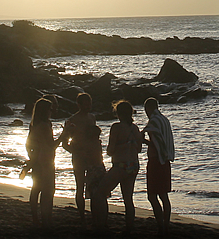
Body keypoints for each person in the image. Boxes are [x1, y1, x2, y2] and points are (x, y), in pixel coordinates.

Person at [94, 100, 142, 232]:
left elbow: (110, 151)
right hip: (134, 165)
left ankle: (102, 225)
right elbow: (139, 149)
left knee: (100, 193)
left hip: (120, 165)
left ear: (118, 113)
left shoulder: (116, 127)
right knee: (128, 199)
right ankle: (130, 228)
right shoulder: (135, 128)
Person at [26, 97, 67, 227]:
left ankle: (36, 218)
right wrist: (64, 134)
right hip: (46, 161)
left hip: (38, 160)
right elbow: (51, 145)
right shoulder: (45, 125)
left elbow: (28, 144)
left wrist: (32, 156)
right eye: (50, 109)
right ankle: (46, 218)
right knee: (48, 191)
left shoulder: (34, 124)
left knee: (36, 189)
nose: (51, 111)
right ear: (45, 111)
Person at [61, 92, 97, 223]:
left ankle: (94, 215)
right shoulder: (72, 120)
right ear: (79, 104)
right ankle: (82, 216)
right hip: (78, 157)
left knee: (93, 187)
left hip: (92, 156)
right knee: (80, 186)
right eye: (85, 104)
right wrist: (77, 152)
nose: (88, 106)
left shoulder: (92, 117)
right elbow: (64, 143)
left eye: (89, 104)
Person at [143, 97, 175, 236]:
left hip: (156, 161)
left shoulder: (154, 121)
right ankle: (166, 225)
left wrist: (142, 140)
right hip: (165, 161)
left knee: (152, 196)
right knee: (164, 195)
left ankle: (161, 226)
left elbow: (156, 143)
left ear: (148, 109)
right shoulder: (164, 120)